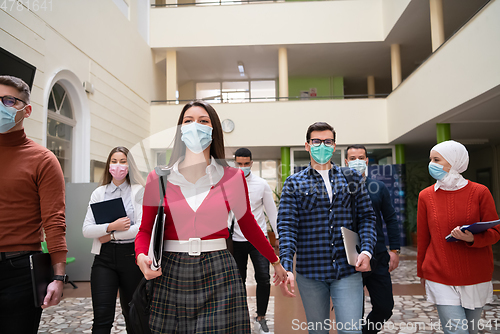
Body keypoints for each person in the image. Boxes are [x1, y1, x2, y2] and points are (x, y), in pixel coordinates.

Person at [134, 100, 288, 333]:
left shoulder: (232, 177)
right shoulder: (159, 178)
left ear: (213, 130)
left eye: (203, 121)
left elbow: (248, 226)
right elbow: (145, 230)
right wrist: (141, 256)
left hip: (218, 269)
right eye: (188, 121)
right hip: (170, 270)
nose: (195, 126)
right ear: (180, 130)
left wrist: (275, 261)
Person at [278, 122, 377, 334]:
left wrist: (367, 250)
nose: (322, 146)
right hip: (310, 272)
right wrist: (286, 265)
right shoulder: (294, 183)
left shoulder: (351, 178)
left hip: (347, 269)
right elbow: (287, 226)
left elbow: (367, 217)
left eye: (327, 142)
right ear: (307, 145)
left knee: (351, 330)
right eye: (316, 141)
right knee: (318, 331)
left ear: (334, 146)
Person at [0, 75, 68, 333]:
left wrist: (58, 276)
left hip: (20, 272)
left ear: (26, 110)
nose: (1, 106)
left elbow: (54, 221)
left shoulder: (43, 160)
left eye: (8, 100)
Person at [417, 140, 500, 334]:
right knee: (457, 331)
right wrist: (422, 272)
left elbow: (495, 232)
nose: (431, 164)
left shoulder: (480, 192)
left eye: (436, 159)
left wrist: (471, 239)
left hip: (476, 275)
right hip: (439, 274)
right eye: (430, 159)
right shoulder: (425, 196)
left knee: (470, 330)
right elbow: (423, 238)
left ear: (454, 162)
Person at [82, 146, 145, 334]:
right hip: (104, 259)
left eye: (123, 161)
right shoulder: (99, 193)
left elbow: (140, 228)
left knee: (134, 314)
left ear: (130, 165)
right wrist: (112, 226)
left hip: (132, 257)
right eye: (114, 161)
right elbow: (86, 229)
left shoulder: (138, 190)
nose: (118, 166)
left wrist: (110, 234)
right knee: (102, 317)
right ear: (108, 165)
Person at [345, 144, 400, 334]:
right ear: (346, 162)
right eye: (352, 158)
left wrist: (395, 250)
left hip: (377, 255)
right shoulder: (340, 188)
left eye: (361, 157)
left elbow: (391, 218)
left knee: (385, 307)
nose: (357, 161)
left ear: (367, 161)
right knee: (353, 312)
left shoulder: (378, 187)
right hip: (350, 259)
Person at [231, 147, 279, 334]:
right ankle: (241, 315)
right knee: (238, 280)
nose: (243, 167)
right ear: (234, 163)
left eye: (246, 164)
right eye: (239, 164)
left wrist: (279, 238)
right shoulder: (228, 184)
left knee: (264, 279)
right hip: (236, 239)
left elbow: (272, 214)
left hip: (258, 240)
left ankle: (261, 316)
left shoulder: (261, 184)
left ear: (251, 163)